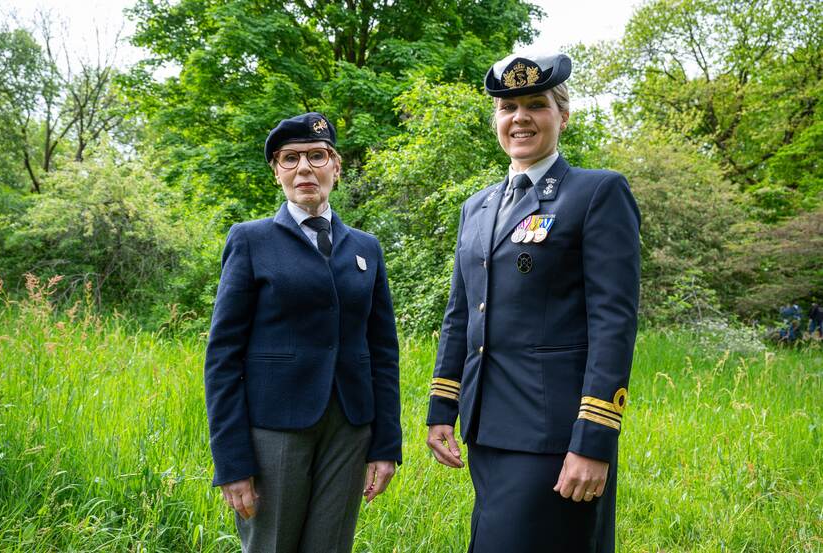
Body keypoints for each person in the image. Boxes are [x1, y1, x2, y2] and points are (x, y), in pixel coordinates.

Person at [425, 51, 640, 553]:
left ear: (562, 116)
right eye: (507, 107)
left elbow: (613, 322)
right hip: (487, 426)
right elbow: (461, 315)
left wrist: (592, 438)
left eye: (535, 104)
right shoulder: (476, 207)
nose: (519, 117)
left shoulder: (595, 193)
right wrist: (443, 407)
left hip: (554, 434)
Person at [204, 112, 402, 553]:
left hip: (350, 429)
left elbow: (383, 352)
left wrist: (386, 444)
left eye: (317, 156)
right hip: (274, 429)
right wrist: (232, 461)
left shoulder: (365, 248)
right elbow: (222, 357)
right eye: (290, 159)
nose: (305, 168)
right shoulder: (250, 240)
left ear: (336, 166)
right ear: (277, 172)